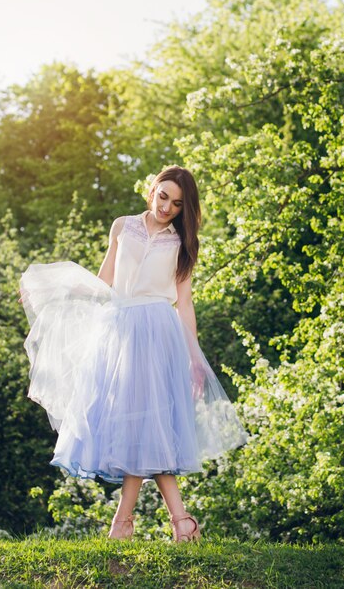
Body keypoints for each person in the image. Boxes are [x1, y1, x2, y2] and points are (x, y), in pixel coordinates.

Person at [19, 165, 248, 542]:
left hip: (158, 335)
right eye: (163, 196)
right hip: (119, 332)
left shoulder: (182, 242)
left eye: (176, 204)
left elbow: (185, 303)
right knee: (136, 426)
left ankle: (131, 524)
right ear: (152, 189)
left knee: (144, 425)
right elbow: (103, 283)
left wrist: (194, 357)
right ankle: (175, 522)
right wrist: (53, 295)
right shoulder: (122, 226)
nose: (167, 207)